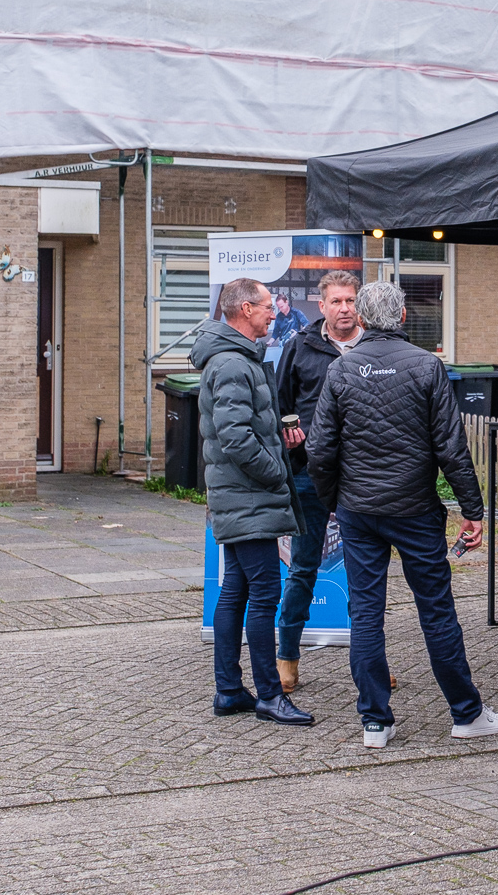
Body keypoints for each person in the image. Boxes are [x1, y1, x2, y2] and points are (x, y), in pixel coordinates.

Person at [306, 281, 498, 748]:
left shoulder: (342, 370)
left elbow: (319, 449)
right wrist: (473, 510)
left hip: (357, 510)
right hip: (415, 509)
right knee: (436, 612)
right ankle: (466, 714)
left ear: (361, 317)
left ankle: (375, 722)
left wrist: (332, 499)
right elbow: (452, 448)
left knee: (365, 615)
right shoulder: (426, 366)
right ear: (401, 317)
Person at [193, 277, 313, 726]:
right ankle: (268, 695)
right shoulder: (231, 363)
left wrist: (279, 441)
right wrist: (276, 470)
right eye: (266, 306)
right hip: (249, 499)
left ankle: (229, 691)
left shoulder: (237, 358)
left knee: (237, 591)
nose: (274, 312)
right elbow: (235, 438)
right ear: (245, 309)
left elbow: (245, 430)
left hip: (240, 497)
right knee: (264, 593)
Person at [272, 269, 363, 694]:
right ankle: (287, 657)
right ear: (322, 306)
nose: (344, 308)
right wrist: (291, 432)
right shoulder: (300, 346)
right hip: (309, 474)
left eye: (350, 300)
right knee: (304, 566)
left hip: (364, 477)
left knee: (367, 572)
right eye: (336, 302)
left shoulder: (375, 347)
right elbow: (281, 403)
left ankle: (369, 659)